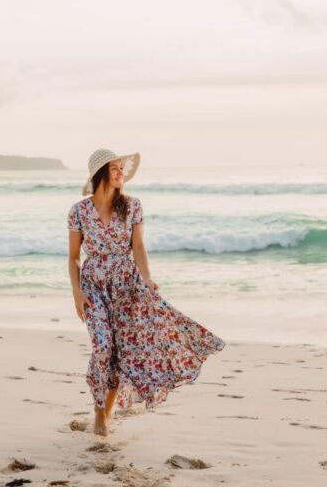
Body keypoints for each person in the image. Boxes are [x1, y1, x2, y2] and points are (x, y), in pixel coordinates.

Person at [67, 148, 226, 436]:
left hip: (127, 285)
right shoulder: (78, 211)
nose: (121, 173)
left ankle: (106, 411)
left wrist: (147, 278)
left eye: (121, 168)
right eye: (114, 168)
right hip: (94, 286)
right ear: (101, 173)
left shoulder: (132, 206)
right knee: (102, 347)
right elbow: (73, 257)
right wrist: (77, 293)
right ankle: (98, 407)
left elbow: (138, 247)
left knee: (122, 352)